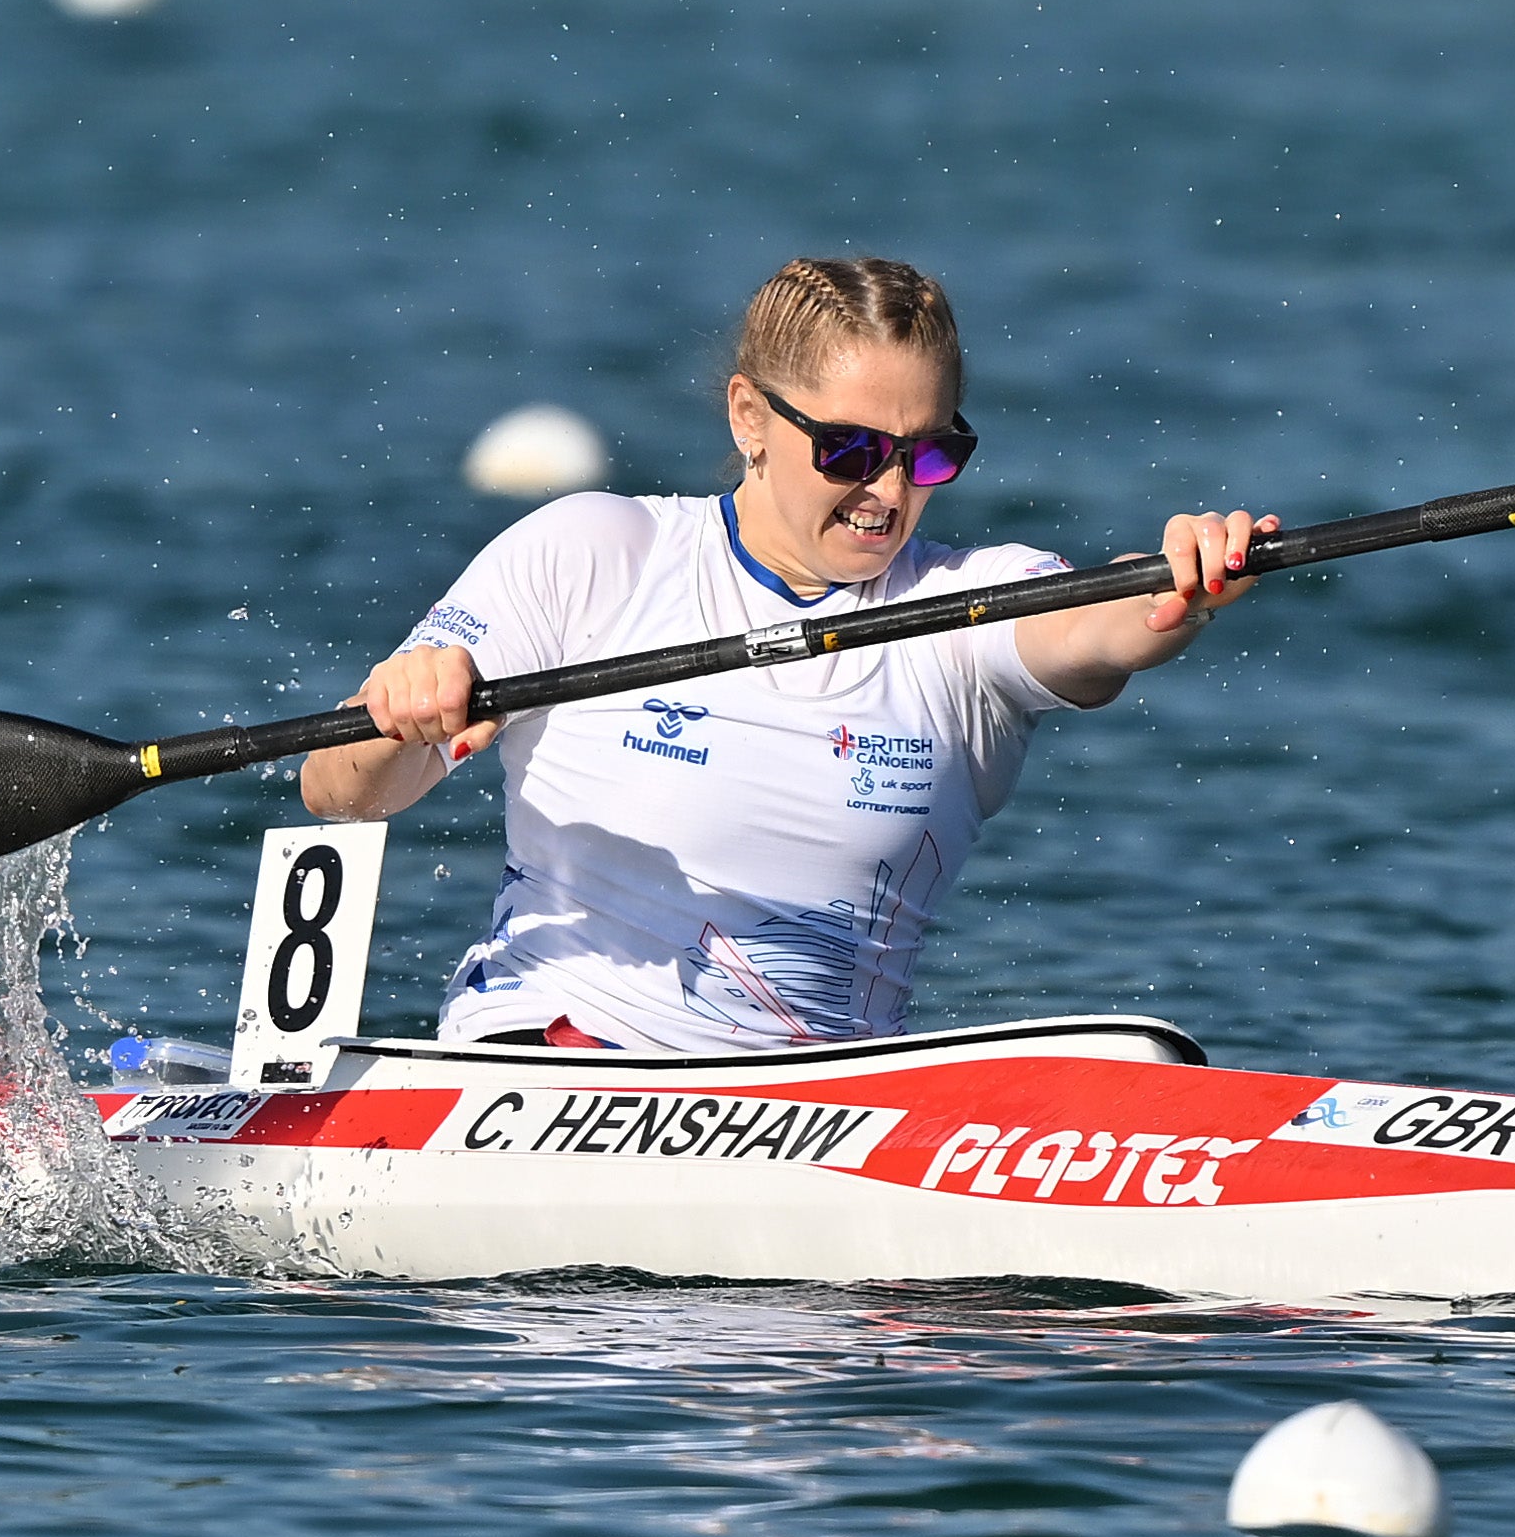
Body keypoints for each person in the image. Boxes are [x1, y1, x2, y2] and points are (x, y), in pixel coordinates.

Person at [301, 255, 1270, 1051]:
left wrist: (1178, 586)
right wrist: (398, 715)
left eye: (928, 454)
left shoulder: (962, 602)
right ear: (749, 417)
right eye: (850, 450)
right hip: (544, 1063)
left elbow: (1103, 626)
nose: (887, 492)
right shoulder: (594, 551)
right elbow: (339, 792)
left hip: (814, 1109)